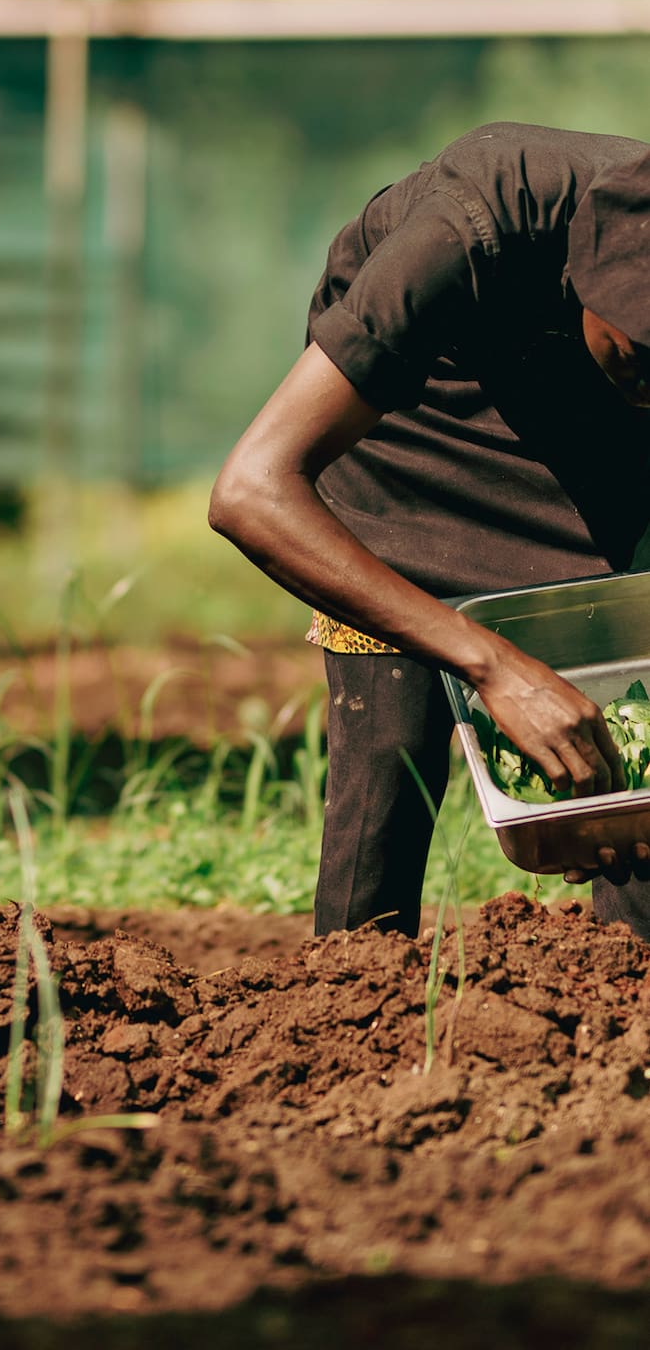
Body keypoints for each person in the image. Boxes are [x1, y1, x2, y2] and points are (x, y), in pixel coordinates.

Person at [209, 120, 650, 940]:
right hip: (408, 447)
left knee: (637, 786)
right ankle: (346, 1025)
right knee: (387, 775)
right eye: (643, 356)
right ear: (593, 280)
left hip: (595, 454)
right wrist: (497, 667)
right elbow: (251, 491)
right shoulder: (473, 223)